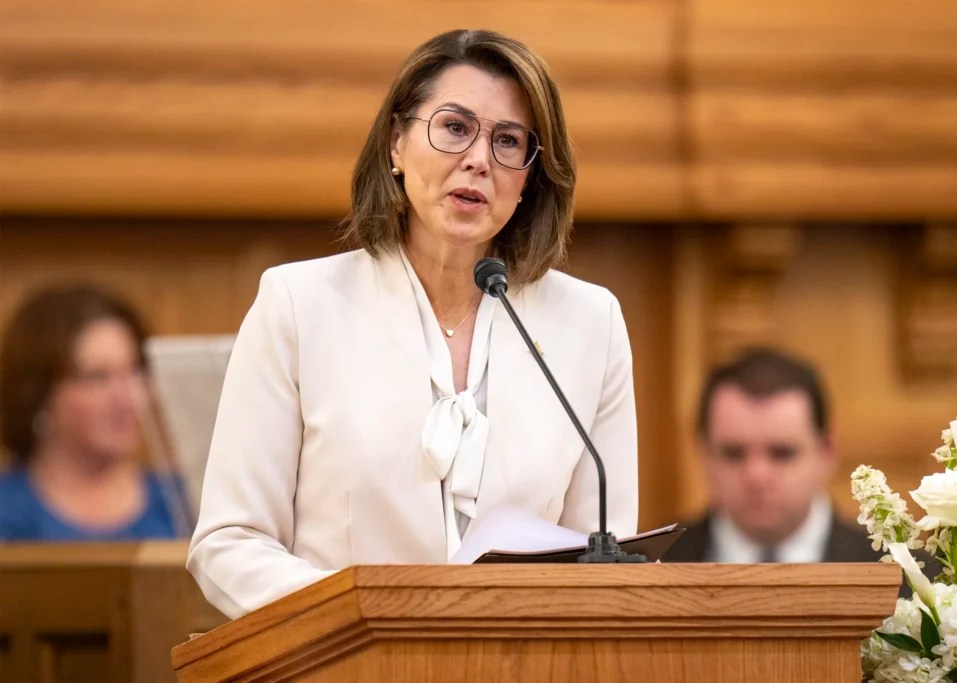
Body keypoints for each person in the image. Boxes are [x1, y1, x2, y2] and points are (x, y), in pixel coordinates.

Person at [187, 29, 639, 618]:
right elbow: (229, 545)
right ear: (396, 145)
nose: (479, 159)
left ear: (531, 178)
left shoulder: (590, 323)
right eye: (454, 128)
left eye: (508, 141)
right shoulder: (299, 304)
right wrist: (373, 616)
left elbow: (600, 559)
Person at [0, 285, 186, 541]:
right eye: (97, 377)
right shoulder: (8, 512)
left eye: (135, 371)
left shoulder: (184, 503)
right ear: (39, 393)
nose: (125, 398)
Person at [663, 348, 878, 564]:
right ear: (704, 453)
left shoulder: (903, 576)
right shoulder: (649, 569)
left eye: (782, 453)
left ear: (827, 451)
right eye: (734, 454)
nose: (757, 476)